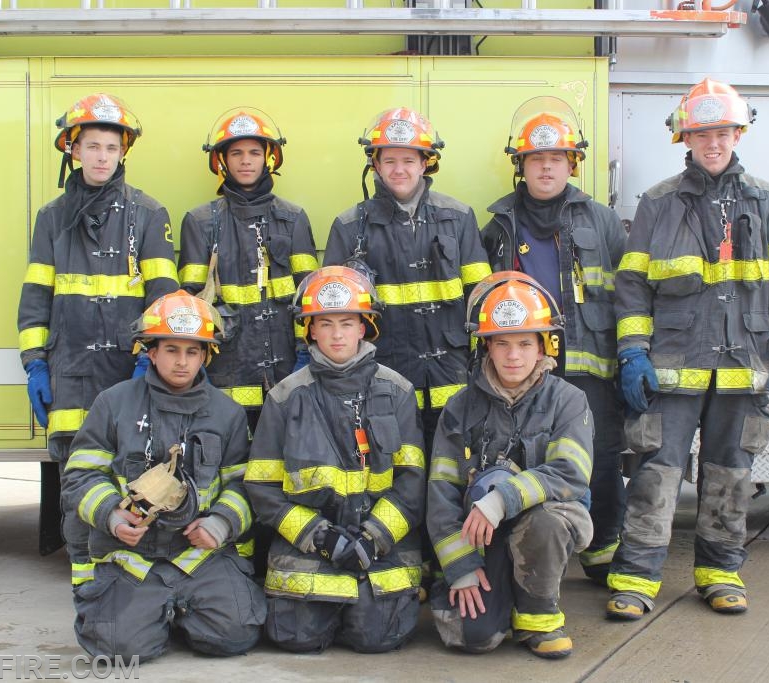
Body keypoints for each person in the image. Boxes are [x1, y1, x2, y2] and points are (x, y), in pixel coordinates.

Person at [606, 78, 769, 620]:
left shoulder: (768, 202)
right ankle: (635, 578)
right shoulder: (658, 203)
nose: (713, 143)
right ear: (685, 139)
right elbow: (632, 287)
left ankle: (720, 573)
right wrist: (633, 352)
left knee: (730, 475)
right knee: (655, 474)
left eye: (722, 132)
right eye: (702, 134)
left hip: (744, 369)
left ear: (737, 134)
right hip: (672, 371)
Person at [16, 93, 179, 570]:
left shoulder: (148, 214)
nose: (102, 156)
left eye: (110, 147)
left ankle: (127, 565)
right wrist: (36, 363)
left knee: (133, 466)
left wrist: (152, 357)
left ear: (123, 151)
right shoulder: (51, 218)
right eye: (92, 146)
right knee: (76, 472)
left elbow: (164, 296)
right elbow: (35, 296)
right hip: (69, 371)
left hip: (130, 370)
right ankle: (85, 573)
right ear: (73, 150)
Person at [61, 291, 265, 660]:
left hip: (198, 555)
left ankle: (175, 608)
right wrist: (111, 514)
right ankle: (150, 610)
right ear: (151, 352)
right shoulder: (114, 403)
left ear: (206, 355)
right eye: (171, 350)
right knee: (119, 649)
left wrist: (220, 524)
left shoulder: (227, 414)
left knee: (234, 636)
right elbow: (80, 476)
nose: (182, 362)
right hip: (132, 556)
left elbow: (243, 485)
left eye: (192, 351)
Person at [482, 96, 627, 584]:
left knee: (600, 458)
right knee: (531, 458)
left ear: (572, 163)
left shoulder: (602, 221)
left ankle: (604, 550)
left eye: (556, 159)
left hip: (591, 369)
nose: (546, 168)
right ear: (521, 166)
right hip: (526, 369)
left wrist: (629, 356)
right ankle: (546, 551)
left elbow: (628, 293)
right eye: (536, 159)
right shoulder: (499, 225)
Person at [245, 265, 426, 654]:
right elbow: (262, 487)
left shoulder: (397, 391)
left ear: (365, 327)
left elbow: (413, 481)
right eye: (325, 323)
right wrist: (320, 537)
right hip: (310, 547)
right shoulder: (284, 397)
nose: (337, 334)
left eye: (347, 322)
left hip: (381, 546)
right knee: (296, 638)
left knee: (377, 638)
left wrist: (375, 537)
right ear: (310, 329)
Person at [427, 272, 594, 660]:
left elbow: (570, 473)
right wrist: (460, 567)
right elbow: (441, 493)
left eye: (524, 343)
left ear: (543, 347)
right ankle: (498, 596)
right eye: (501, 344)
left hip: (544, 526)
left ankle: (539, 616)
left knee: (548, 521)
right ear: (487, 347)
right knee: (473, 638)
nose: (513, 355)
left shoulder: (568, 401)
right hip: (480, 537)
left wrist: (502, 498)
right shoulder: (460, 407)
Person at [323, 107, 491, 452]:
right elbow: (331, 307)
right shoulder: (349, 226)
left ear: (426, 162)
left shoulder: (458, 218)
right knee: (395, 463)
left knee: (454, 463)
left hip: (452, 372)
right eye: (390, 161)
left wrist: (483, 364)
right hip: (383, 371)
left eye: (408, 160)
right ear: (376, 164)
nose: (399, 169)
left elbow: (481, 298)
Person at [178, 107, 318, 433]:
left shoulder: (294, 219)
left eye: (254, 152)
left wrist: (304, 352)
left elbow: (308, 296)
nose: (245, 160)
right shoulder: (200, 222)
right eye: (237, 153)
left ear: (268, 158)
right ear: (221, 161)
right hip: (225, 371)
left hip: (287, 367)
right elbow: (192, 303)